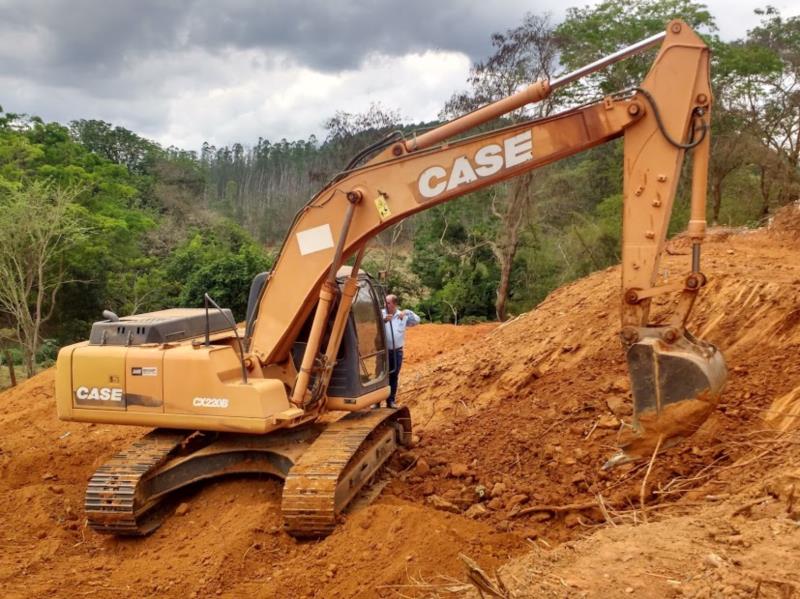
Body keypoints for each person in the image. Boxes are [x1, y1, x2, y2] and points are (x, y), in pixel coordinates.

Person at [377, 294, 420, 409]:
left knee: (393, 375)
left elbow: (417, 321)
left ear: (395, 304)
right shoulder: (381, 313)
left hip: (396, 352)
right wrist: (384, 320)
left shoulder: (402, 315)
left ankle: (390, 401)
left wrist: (407, 312)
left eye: (388, 303)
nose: (386, 305)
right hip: (383, 352)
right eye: (385, 302)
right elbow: (372, 324)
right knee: (380, 375)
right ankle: (376, 402)